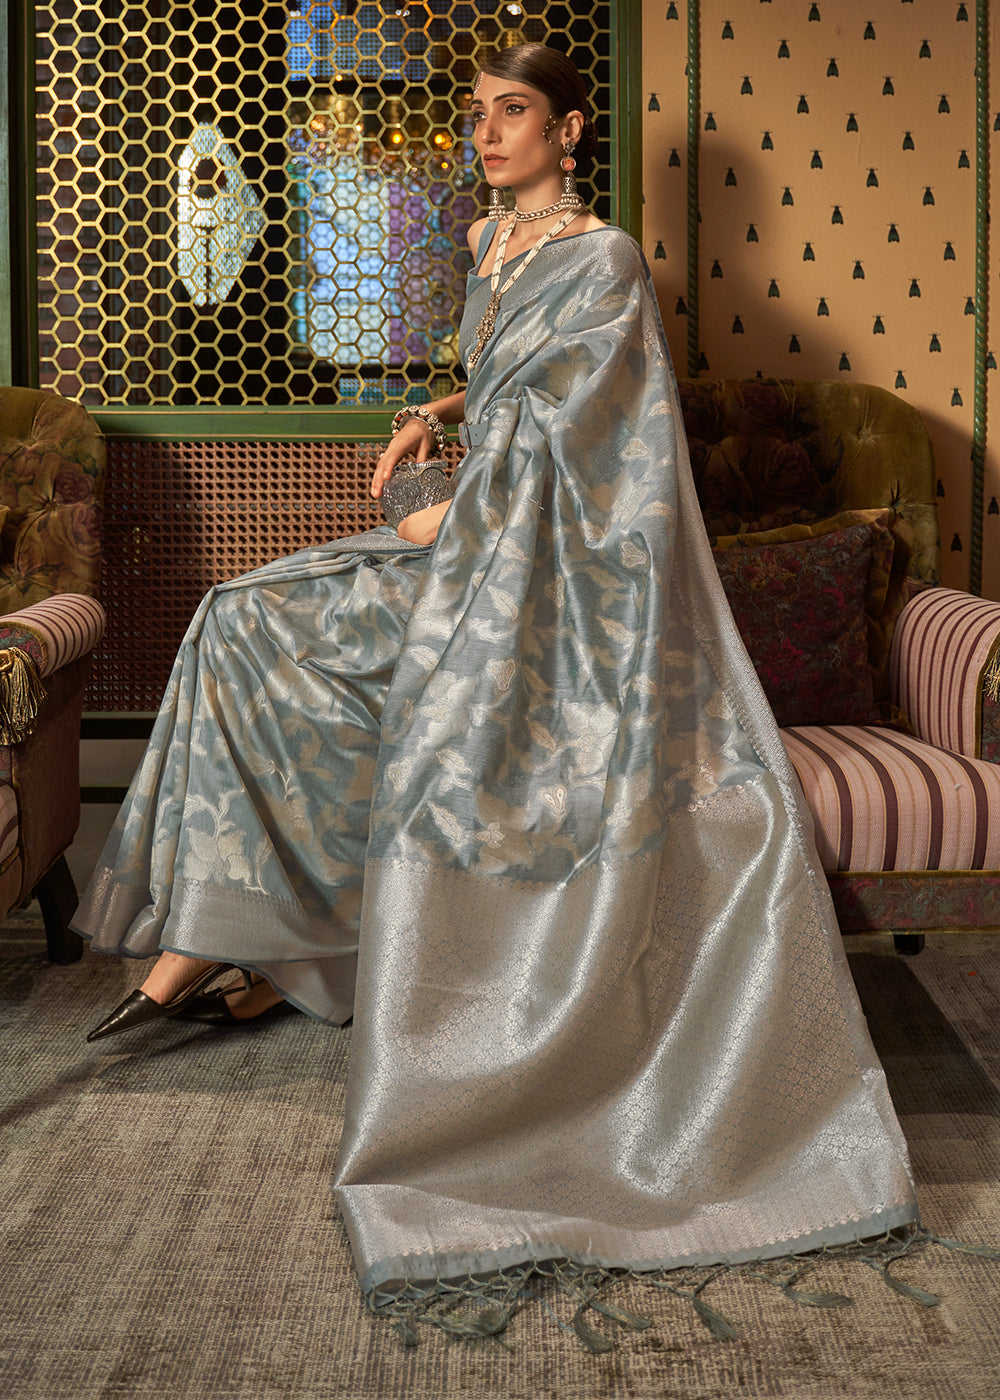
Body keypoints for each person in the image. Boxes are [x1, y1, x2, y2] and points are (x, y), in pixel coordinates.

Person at [78, 43, 919, 1333]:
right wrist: (441, 410)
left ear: (570, 130)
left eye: (512, 112)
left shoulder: (606, 261)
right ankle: (227, 936)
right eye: (477, 113)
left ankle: (227, 953)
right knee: (237, 616)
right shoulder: (487, 246)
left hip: (553, 577)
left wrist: (430, 503)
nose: (486, 132)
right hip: (474, 539)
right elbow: (513, 392)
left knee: (311, 641)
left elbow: (597, 457)